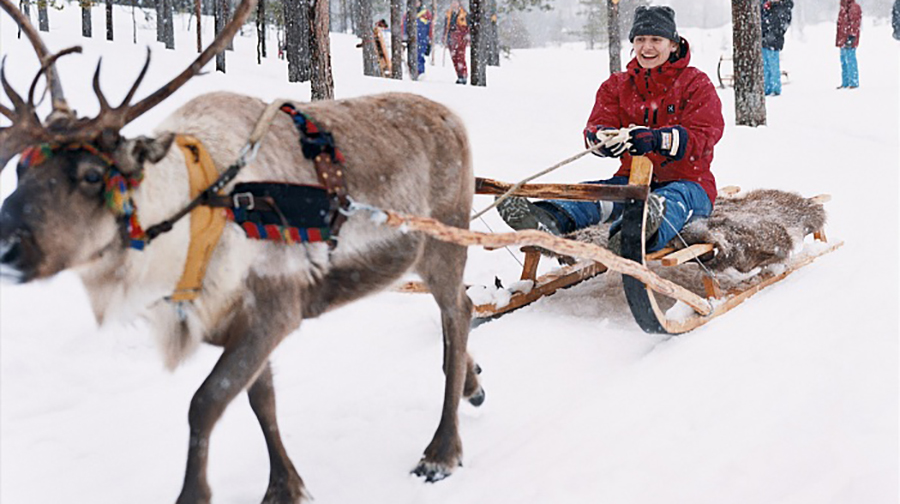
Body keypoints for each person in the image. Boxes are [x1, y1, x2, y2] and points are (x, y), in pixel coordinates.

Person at [498, 6, 725, 255]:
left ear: (673, 44)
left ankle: (636, 233)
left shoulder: (695, 83)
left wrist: (659, 139)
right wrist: (601, 138)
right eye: (640, 40)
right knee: (597, 197)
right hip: (631, 181)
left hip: (690, 183)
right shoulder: (617, 85)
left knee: (672, 200)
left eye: (655, 40)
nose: (646, 47)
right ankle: (546, 219)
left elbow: (705, 134)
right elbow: (597, 125)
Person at [760, 0, 793, 96]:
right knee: (765, 64)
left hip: (773, 39)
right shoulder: (765, 5)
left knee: (773, 63)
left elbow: (784, 23)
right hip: (764, 38)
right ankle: (767, 87)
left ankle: (775, 88)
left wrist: (776, 33)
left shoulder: (783, 6)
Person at [835, 0, 861, 89]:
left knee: (850, 60)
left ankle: (853, 82)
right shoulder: (843, 8)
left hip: (849, 39)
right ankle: (845, 82)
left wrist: (852, 36)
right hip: (843, 39)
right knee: (844, 61)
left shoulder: (853, 7)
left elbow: (855, 23)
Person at [444, 0, 469, 84]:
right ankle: (459, 75)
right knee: (454, 58)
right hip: (451, 39)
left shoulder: (464, 14)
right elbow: (446, 27)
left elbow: (466, 28)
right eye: (453, 2)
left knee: (461, 57)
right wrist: (445, 38)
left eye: (456, 2)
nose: (454, 4)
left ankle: (464, 75)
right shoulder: (449, 14)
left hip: (461, 39)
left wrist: (465, 36)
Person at [415, 1, 433, 77]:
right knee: (413, 56)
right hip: (413, 39)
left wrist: (430, 39)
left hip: (422, 38)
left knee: (420, 56)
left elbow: (430, 27)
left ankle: (420, 72)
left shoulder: (426, 13)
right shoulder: (409, 13)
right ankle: (414, 72)